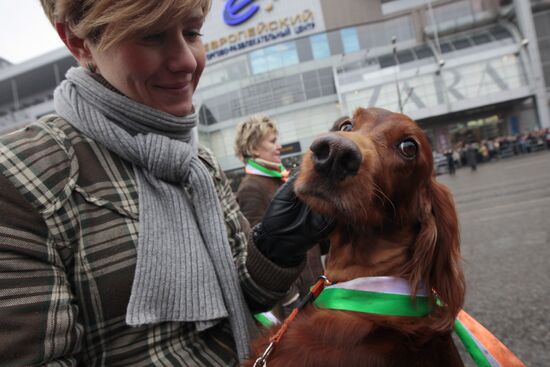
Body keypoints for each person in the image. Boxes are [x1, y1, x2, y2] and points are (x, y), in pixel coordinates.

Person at [0, 1, 333, 365]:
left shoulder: (198, 162)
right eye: (151, 35)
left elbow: (243, 298)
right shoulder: (22, 175)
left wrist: (276, 245)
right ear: (78, 41)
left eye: (192, 32)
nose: (187, 61)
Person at [234, 116, 326, 318]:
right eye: (272, 141)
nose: (279, 146)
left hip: (313, 285)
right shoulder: (251, 188)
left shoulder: (280, 178)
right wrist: (290, 298)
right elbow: (260, 251)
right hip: (296, 297)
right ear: (254, 148)